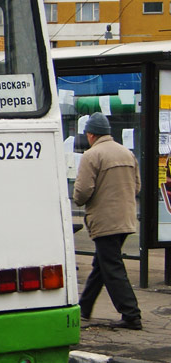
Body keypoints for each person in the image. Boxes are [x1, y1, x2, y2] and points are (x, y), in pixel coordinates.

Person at [72, 112, 143, 330]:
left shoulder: (92, 155)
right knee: (101, 264)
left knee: (111, 267)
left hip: (105, 221)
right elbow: (137, 186)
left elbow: (82, 192)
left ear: (91, 134)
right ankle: (84, 308)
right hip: (125, 218)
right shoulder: (126, 153)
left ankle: (131, 314)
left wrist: (77, 199)